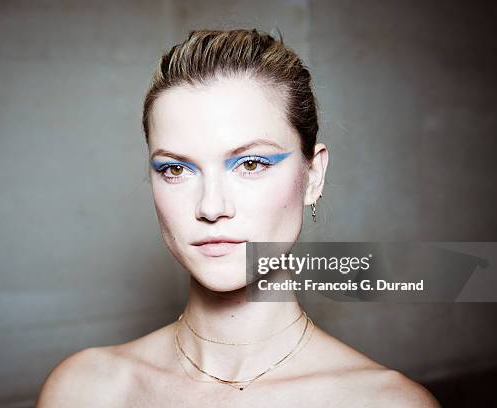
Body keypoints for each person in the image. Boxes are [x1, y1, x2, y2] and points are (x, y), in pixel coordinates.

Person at [37, 28, 441, 407]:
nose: (211, 208)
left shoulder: (386, 402)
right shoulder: (85, 390)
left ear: (313, 175)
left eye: (250, 163)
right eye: (176, 169)